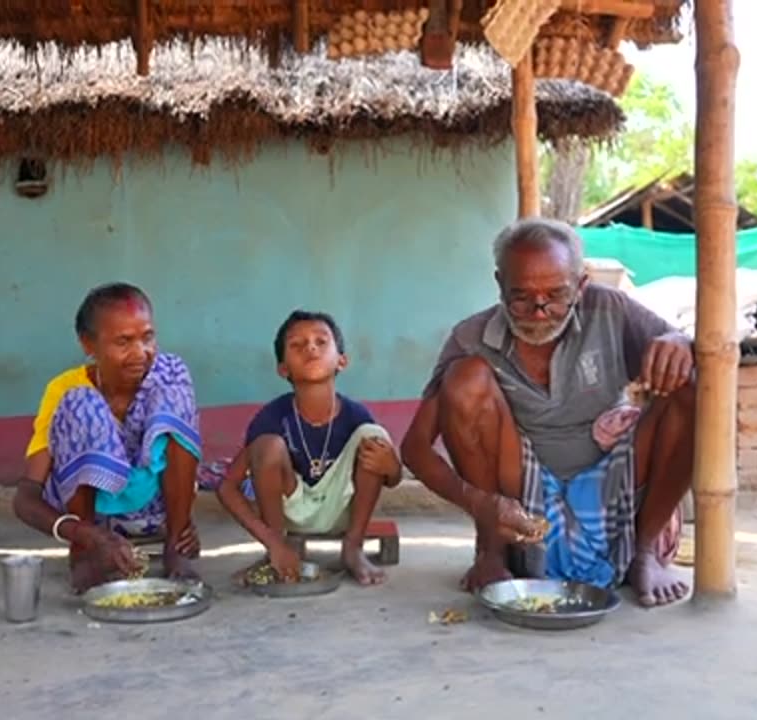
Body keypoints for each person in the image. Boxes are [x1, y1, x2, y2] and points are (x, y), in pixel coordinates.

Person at [400, 218, 694, 607]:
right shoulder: (471, 338)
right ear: (499, 284)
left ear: (582, 284)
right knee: (466, 378)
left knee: (690, 384)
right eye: (521, 297)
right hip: (526, 490)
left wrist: (681, 343)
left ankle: (645, 553)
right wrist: (479, 503)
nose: (539, 312)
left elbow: (695, 361)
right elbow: (415, 448)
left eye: (556, 295)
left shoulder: (610, 309)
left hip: (615, 476)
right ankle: (492, 552)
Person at [13, 282, 203, 593]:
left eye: (147, 337)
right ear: (89, 345)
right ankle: (85, 558)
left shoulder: (162, 380)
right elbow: (25, 498)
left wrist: (181, 521)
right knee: (80, 402)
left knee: (174, 373)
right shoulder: (64, 389)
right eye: (123, 341)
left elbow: (181, 451)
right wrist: (83, 535)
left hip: (152, 511)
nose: (140, 353)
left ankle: (176, 545)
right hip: (91, 522)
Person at [217, 310, 403, 586]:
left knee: (373, 436)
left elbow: (391, 476)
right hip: (289, 513)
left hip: (342, 510)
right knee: (268, 446)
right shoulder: (271, 417)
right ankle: (277, 550)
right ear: (283, 368)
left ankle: (353, 547)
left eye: (321, 341)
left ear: (342, 360)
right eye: (297, 345)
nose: (311, 348)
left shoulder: (355, 415)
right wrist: (271, 541)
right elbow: (226, 487)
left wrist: (394, 469)